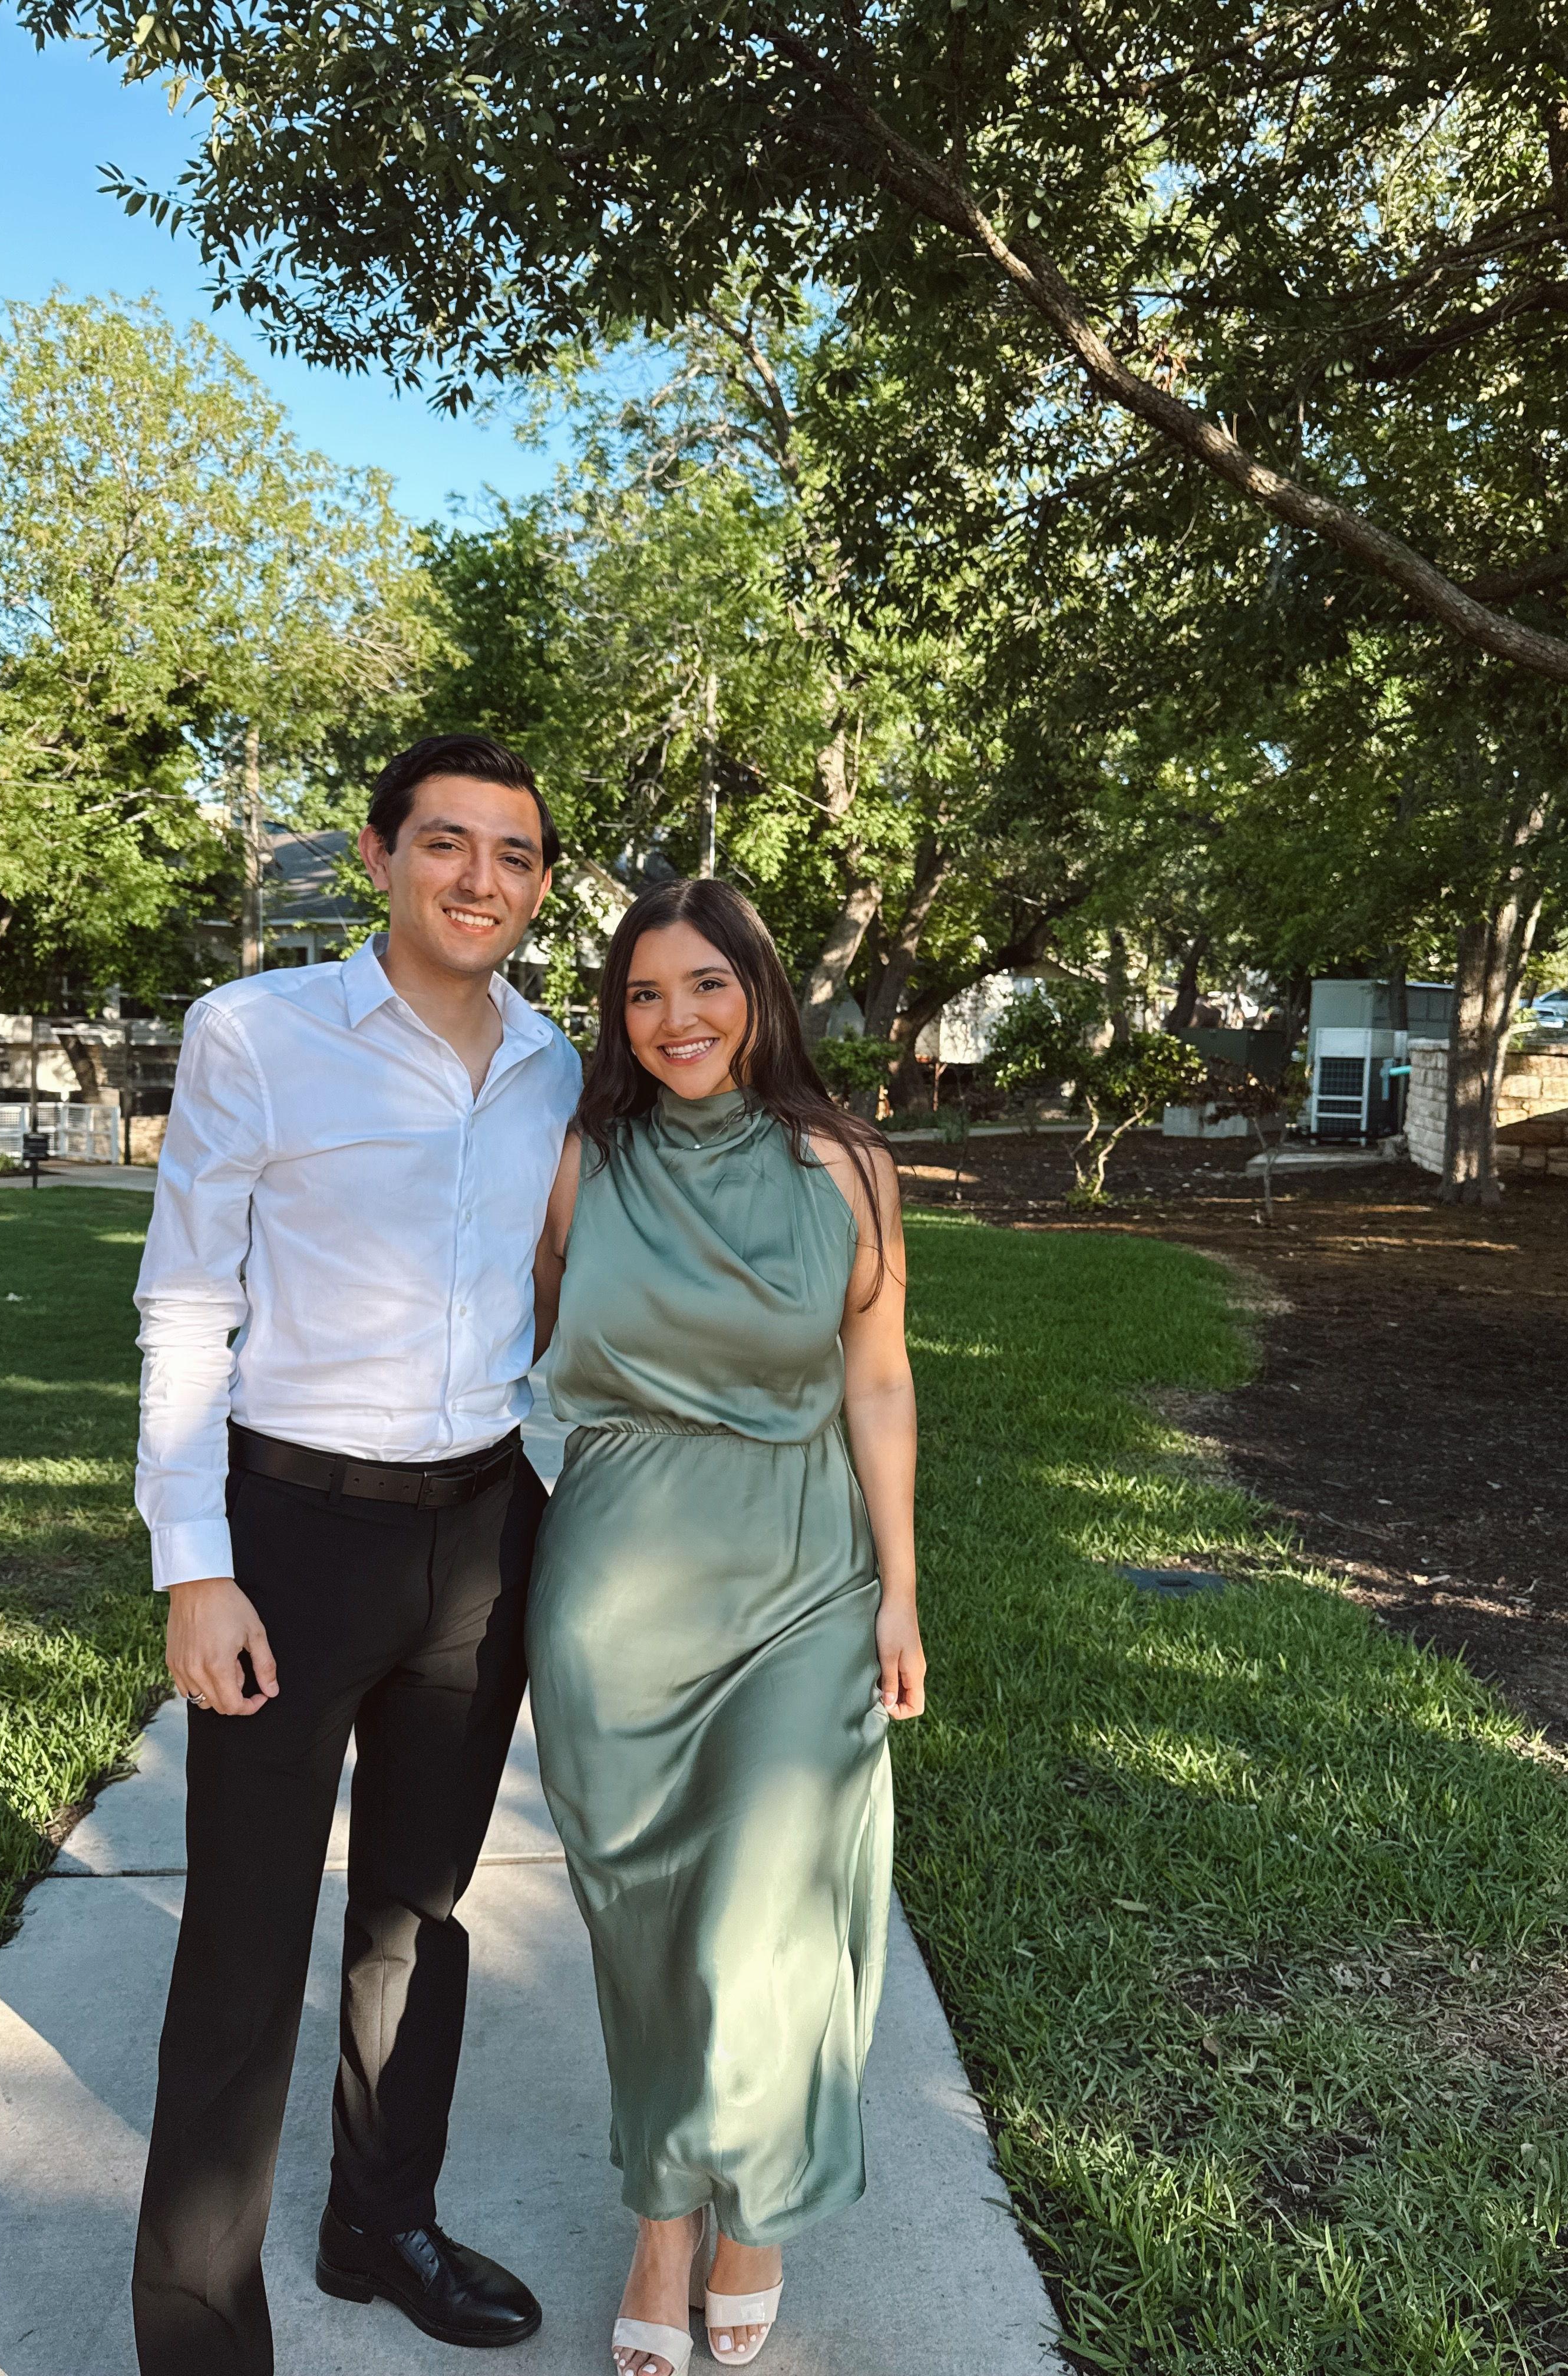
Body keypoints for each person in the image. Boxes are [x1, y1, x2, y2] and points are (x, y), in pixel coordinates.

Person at [128, 733, 582, 2375]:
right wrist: (195, 1562)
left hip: (481, 1531)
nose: (480, 878)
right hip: (290, 1534)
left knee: (419, 1911)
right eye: (447, 842)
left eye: (514, 854)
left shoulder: (553, 1065)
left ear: (541, 886)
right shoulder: (257, 1033)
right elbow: (187, 1302)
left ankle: (380, 2221)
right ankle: (199, 2337)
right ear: (383, 855)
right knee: (243, 1943)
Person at [525, 877, 929, 2376]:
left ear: (760, 991)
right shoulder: (583, 1160)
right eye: (643, 994)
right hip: (619, 1590)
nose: (675, 1018)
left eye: (706, 984)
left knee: (765, 1921)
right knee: (646, 1930)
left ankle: (753, 2206)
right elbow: (527, 1333)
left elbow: (876, 1380)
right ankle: (663, 2214)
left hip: (803, 1577)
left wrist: (900, 1589)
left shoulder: (848, 1166)